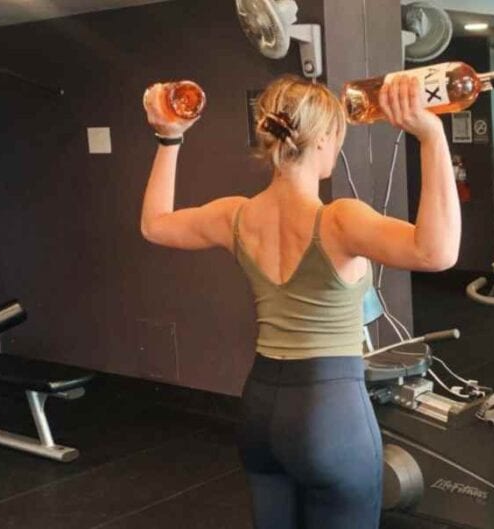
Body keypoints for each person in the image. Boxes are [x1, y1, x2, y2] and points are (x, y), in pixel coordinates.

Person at [140, 74, 460, 528]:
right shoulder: (339, 220)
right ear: (326, 136)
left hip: (260, 409)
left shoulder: (235, 215)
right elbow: (438, 251)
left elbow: (155, 224)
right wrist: (430, 136)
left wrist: (168, 137)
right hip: (330, 413)